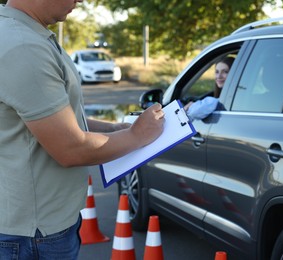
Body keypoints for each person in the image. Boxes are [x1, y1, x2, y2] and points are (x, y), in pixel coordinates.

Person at [0, 0, 164, 259]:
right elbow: (70, 149)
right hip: (32, 235)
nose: (79, 1)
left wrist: (115, 129)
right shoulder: (23, 46)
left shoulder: (25, 34)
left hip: (39, 227)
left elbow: (55, 118)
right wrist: (136, 135)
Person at [184, 56, 235, 121]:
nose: (219, 76)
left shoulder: (214, 102)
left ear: (234, 73)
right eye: (217, 72)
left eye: (225, 72)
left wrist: (191, 106)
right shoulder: (225, 96)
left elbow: (194, 111)